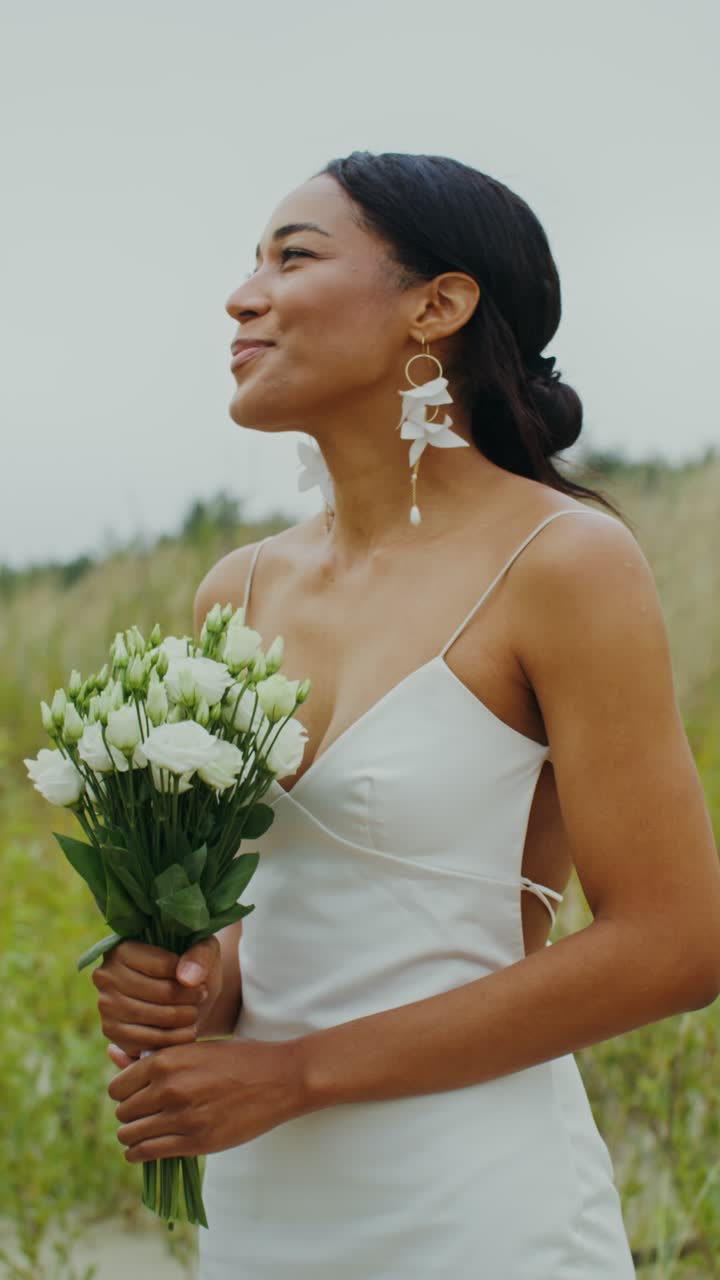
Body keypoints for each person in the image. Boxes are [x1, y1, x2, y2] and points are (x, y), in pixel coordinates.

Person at [96, 151, 720, 1278]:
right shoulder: (235, 591)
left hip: (477, 1203)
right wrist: (191, 981)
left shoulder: (562, 560)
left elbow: (675, 942)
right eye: (251, 262)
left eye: (294, 256)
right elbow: (266, 919)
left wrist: (298, 1074)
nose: (244, 294)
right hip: (265, 1205)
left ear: (437, 304)